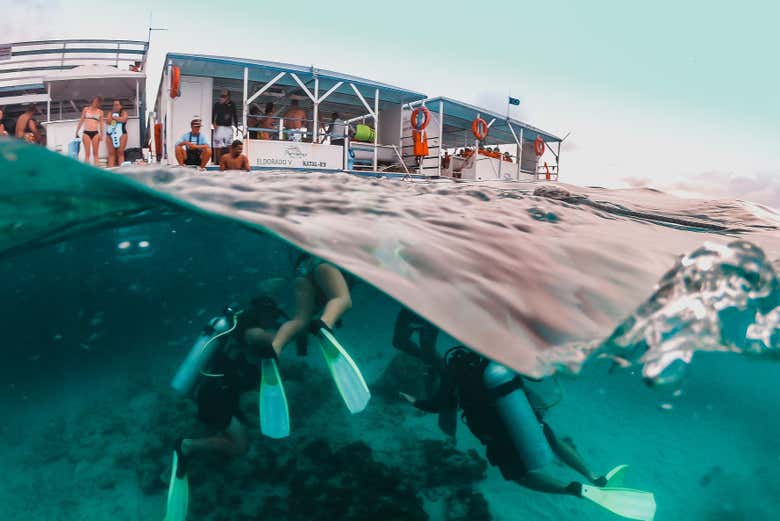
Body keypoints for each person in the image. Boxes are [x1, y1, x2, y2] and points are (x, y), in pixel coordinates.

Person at [399, 347, 656, 520]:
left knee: (520, 475)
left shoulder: (454, 377)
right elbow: (535, 376)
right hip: (526, 415)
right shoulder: (493, 359)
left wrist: (412, 399)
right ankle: (594, 476)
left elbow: (437, 406)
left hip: (496, 434)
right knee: (553, 441)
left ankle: (574, 490)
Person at [165, 297, 291, 521]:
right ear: (265, 313)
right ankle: (186, 446)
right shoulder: (248, 328)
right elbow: (262, 337)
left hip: (218, 394)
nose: (273, 322)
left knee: (240, 426)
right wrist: (299, 330)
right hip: (215, 397)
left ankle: (220, 431)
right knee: (240, 447)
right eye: (272, 317)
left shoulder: (238, 328)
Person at [268, 254, 370, 414]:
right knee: (343, 299)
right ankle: (325, 325)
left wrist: (302, 350)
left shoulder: (315, 289)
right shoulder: (347, 272)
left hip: (301, 273)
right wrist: (326, 322)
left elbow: (303, 326)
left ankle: (274, 348)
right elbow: (338, 298)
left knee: (300, 319)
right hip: (323, 265)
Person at [212, 89, 237, 164]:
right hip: (219, 127)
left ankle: (229, 162)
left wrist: (236, 127)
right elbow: (213, 114)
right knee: (218, 146)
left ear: (228, 97)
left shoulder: (232, 104)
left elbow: (235, 115)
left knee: (230, 145)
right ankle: (218, 162)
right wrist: (213, 123)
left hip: (228, 127)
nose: (221, 97)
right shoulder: (217, 104)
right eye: (221, 96)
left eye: (224, 96)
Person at [74, 97, 103, 164]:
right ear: (93, 101)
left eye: (98, 102)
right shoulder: (86, 109)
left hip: (95, 133)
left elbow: (101, 124)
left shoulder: (100, 112)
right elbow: (81, 120)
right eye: (95, 101)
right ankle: (86, 171)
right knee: (87, 154)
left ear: (99, 103)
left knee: (95, 154)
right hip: (86, 132)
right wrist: (77, 131)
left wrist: (101, 135)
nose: (96, 103)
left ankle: (97, 171)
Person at [105, 99, 129, 166]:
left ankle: (122, 171)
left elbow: (124, 119)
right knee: (111, 154)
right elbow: (108, 121)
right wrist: (119, 119)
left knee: (120, 153)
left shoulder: (124, 112)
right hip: (110, 135)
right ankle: (110, 173)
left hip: (122, 135)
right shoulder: (110, 113)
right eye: (114, 105)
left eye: (117, 105)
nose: (115, 106)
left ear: (121, 106)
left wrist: (114, 118)